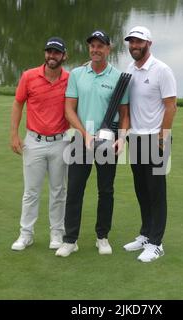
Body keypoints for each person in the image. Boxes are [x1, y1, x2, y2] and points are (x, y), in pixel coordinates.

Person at [55, 30, 129, 257]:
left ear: (109, 49)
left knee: (106, 190)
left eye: (100, 46)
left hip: (108, 140)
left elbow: (124, 113)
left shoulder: (117, 77)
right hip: (79, 139)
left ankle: (102, 237)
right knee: (75, 189)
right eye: (92, 46)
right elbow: (69, 109)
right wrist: (84, 133)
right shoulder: (77, 74)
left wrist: (123, 137)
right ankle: (70, 240)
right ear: (89, 48)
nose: (96, 49)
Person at [123, 26, 177, 262]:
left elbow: (171, 106)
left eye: (139, 42)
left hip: (156, 139)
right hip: (135, 138)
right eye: (131, 42)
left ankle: (157, 243)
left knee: (156, 192)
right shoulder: (129, 69)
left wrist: (163, 139)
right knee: (141, 190)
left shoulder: (162, 70)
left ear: (149, 44)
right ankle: (146, 234)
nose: (134, 46)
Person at [10, 37, 70, 251]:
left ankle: (57, 233)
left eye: (56, 53)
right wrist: (14, 134)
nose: (51, 56)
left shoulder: (70, 79)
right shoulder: (29, 76)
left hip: (61, 142)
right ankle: (26, 234)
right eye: (49, 52)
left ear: (64, 56)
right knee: (31, 191)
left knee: (58, 190)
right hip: (33, 141)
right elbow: (18, 104)